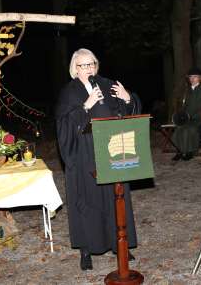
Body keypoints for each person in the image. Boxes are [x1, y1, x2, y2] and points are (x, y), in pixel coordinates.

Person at [55, 48, 140, 270]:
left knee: (116, 195)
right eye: (83, 65)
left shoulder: (107, 84)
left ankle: (120, 244)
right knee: (87, 198)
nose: (88, 69)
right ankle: (86, 249)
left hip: (111, 147)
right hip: (85, 152)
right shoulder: (69, 91)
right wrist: (86, 105)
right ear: (75, 68)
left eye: (91, 64)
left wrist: (128, 98)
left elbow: (127, 110)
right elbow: (64, 125)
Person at [171, 67, 201, 161]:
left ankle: (190, 151)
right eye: (190, 77)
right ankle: (180, 151)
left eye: (195, 77)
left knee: (189, 129)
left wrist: (192, 116)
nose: (192, 79)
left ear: (200, 78)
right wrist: (182, 116)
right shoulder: (188, 90)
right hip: (187, 118)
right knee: (179, 129)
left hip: (199, 118)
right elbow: (184, 105)